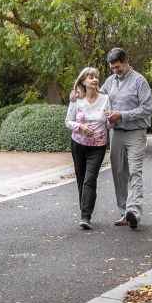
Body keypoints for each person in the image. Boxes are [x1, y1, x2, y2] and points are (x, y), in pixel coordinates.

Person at [100, 47, 152, 230]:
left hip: (136, 133)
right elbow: (98, 100)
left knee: (135, 172)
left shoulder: (139, 81)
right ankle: (124, 212)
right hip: (117, 134)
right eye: (112, 68)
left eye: (118, 67)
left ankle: (134, 212)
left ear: (126, 61)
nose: (115, 71)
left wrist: (121, 115)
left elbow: (146, 109)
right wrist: (78, 95)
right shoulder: (109, 82)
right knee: (119, 173)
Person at [65, 67, 110, 230]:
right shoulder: (76, 99)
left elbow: (109, 123)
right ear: (83, 81)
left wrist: (110, 120)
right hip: (78, 145)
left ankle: (85, 216)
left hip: (98, 146)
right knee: (81, 179)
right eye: (90, 77)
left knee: (90, 179)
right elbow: (68, 121)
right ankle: (85, 210)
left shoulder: (105, 99)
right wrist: (80, 127)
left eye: (96, 77)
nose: (94, 79)